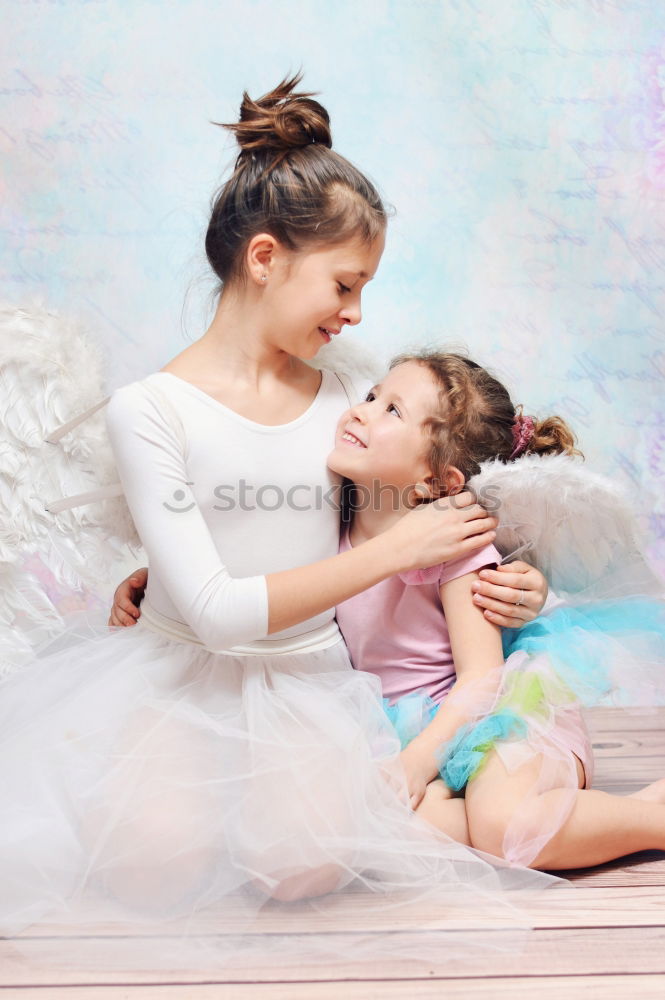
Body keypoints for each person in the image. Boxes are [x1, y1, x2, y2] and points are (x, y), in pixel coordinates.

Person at [0, 76, 557, 969]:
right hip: (183, 666)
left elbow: (410, 511)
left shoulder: (347, 394)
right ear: (265, 259)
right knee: (147, 869)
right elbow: (218, 608)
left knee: (298, 864)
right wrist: (167, 577)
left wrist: (514, 579)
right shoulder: (150, 408)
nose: (356, 312)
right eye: (344, 282)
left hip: (307, 672)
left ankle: (398, 814)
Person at [325, 350, 665, 869]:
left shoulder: (455, 540)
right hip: (404, 724)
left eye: (393, 410)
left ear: (438, 483)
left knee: (501, 825)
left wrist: (417, 762)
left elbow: (482, 680)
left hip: (495, 711)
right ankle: (591, 815)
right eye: (373, 395)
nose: (362, 409)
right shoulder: (331, 521)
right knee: (386, 831)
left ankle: (649, 822)